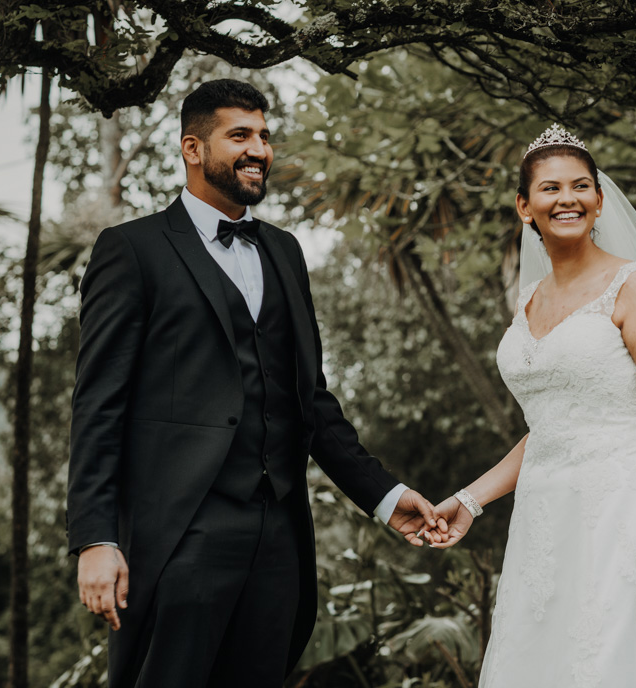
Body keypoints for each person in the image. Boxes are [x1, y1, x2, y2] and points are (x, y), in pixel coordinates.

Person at [66, 79, 438, 688]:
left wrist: (386, 497)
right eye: (240, 135)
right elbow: (97, 406)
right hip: (181, 534)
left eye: (264, 136)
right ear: (192, 148)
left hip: (278, 540)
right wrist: (95, 539)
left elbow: (311, 402)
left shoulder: (285, 253)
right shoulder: (132, 250)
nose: (259, 150)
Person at [426, 125, 636, 687]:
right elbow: (554, 429)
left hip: (626, 520)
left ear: (600, 201)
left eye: (581, 186)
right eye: (550, 189)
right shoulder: (529, 299)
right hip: (546, 527)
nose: (568, 199)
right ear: (525, 207)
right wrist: (470, 501)